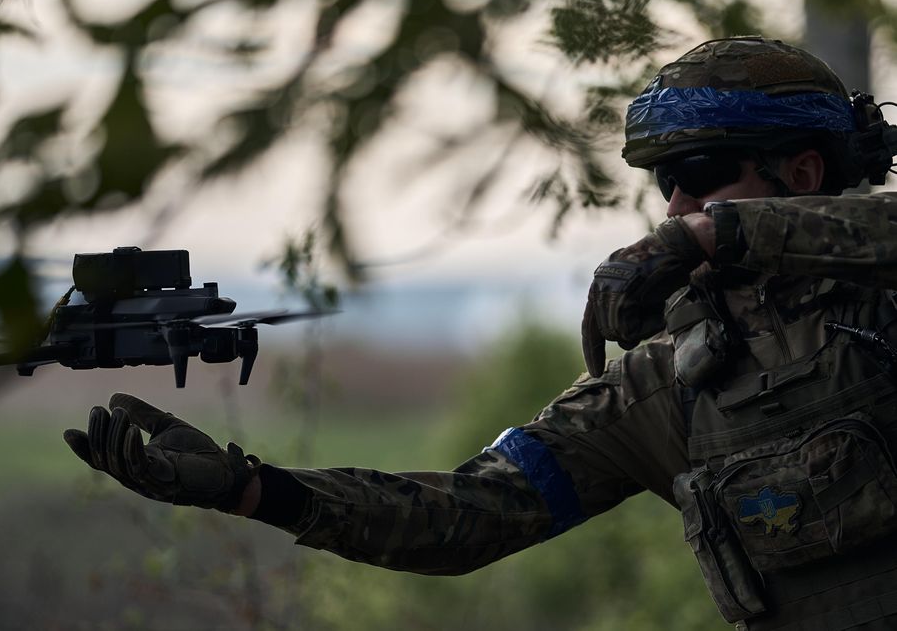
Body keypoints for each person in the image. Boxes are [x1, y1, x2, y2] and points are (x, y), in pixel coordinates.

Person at [64, 37, 897, 630]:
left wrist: (723, 235)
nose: (674, 205)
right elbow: (464, 514)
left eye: (700, 174)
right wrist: (248, 488)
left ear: (803, 173)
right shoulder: (666, 385)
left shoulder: (876, 299)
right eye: (663, 183)